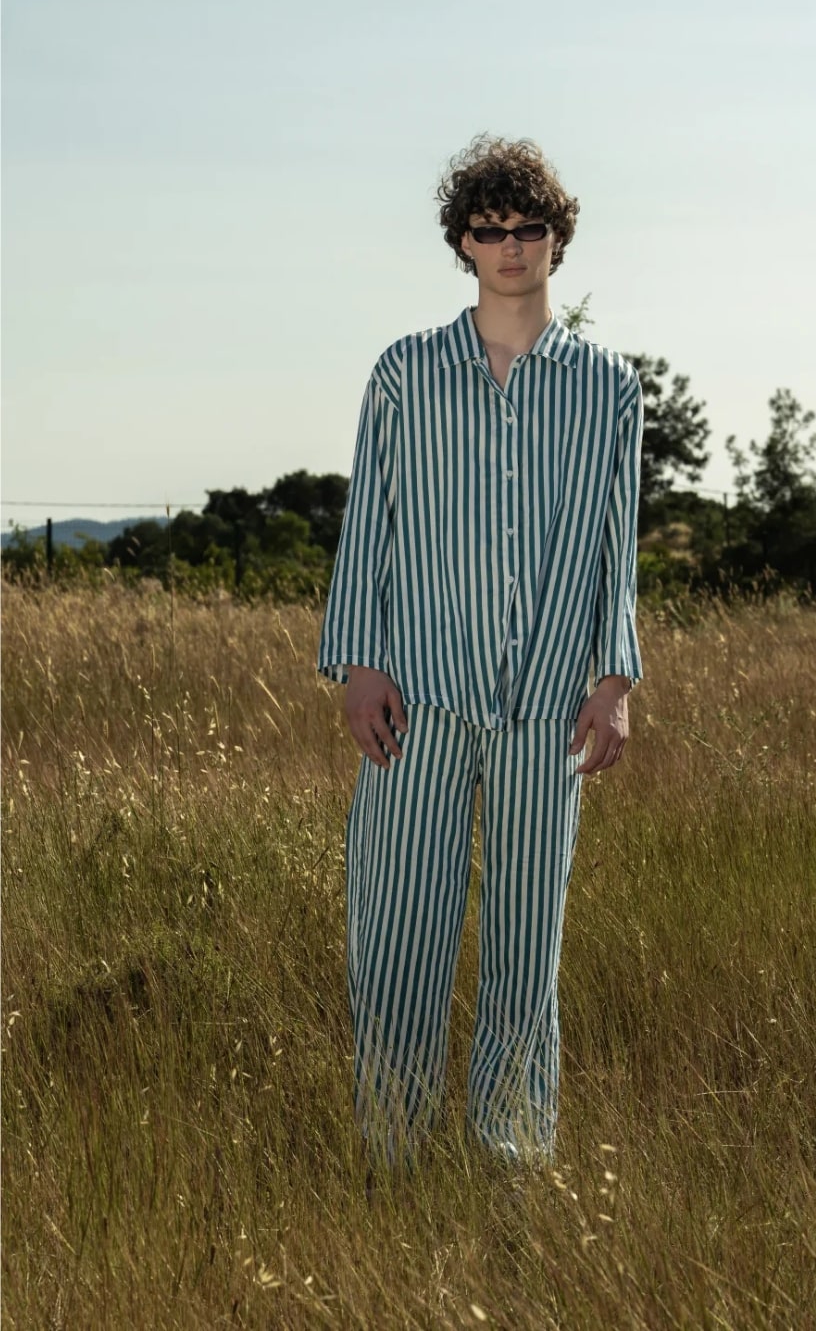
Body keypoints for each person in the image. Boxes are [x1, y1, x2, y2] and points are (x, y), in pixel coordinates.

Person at [318, 134, 643, 1167]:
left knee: (524, 953)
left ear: (556, 240)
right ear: (462, 242)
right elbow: (370, 525)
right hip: (417, 697)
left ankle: (511, 1165)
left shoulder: (607, 387)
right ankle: (394, 1155)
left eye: (528, 229)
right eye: (490, 230)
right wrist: (359, 664)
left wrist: (615, 680)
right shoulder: (405, 374)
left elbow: (616, 543)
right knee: (398, 940)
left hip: (549, 706)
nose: (510, 247)